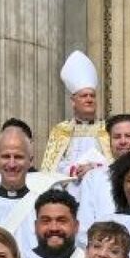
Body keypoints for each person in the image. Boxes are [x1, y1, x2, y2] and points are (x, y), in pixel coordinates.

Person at [0, 119, 69, 250]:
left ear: (30, 160)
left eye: (18, 157)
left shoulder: (45, 206)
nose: (12, 164)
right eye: (6, 156)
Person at [43, 50, 110, 178]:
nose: (89, 99)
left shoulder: (107, 129)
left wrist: (95, 167)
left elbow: (115, 163)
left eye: (92, 96)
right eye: (84, 96)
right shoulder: (61, 130)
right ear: (73, 101)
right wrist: (74, 170)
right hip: (69, 188)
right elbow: (50, 168)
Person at [77, 114, 130, 230]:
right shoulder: (94, 178)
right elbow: (84, 226)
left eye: (129, 136)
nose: (123, 141)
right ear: (109, 142)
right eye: (117, 137)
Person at [23, 189, 87, 258]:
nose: (54, 228)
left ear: (76, 226)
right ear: (35, 226)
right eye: (46, 221)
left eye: (62, 221)